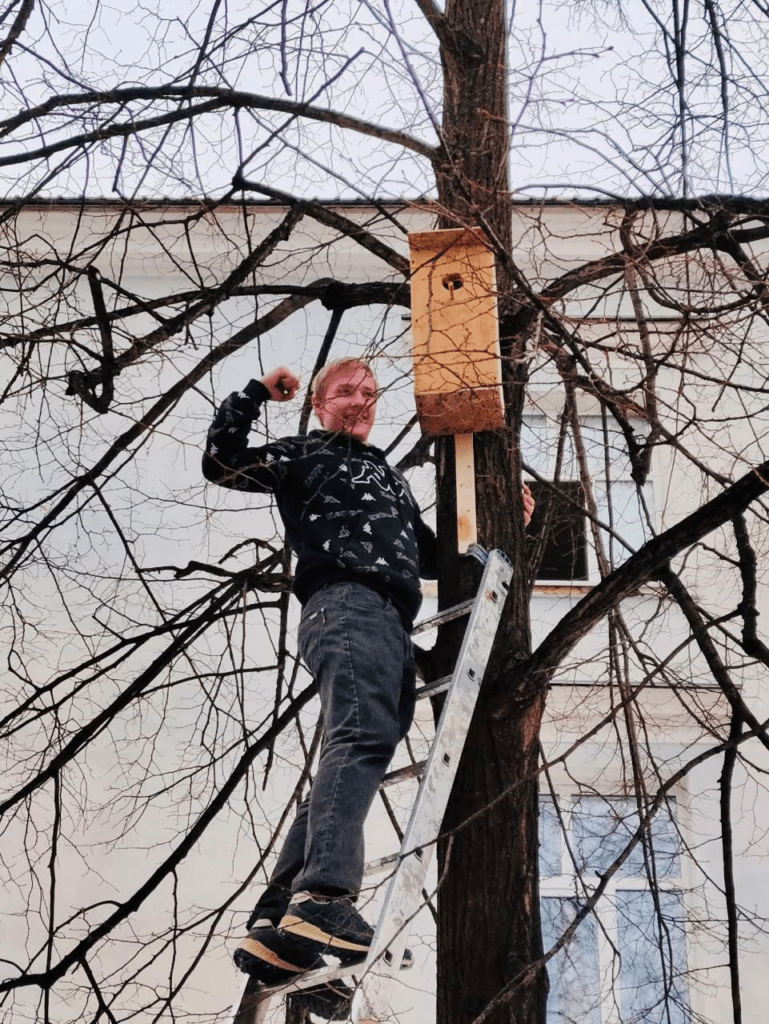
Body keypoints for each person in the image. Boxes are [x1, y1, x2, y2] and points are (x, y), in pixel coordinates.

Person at [203, 357, 535, 988]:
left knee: (356, 750)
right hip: (347, 604)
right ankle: (324, 896)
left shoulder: (388, 476)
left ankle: (279, 925)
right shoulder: (303, 454)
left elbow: (439, 556)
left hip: (387, 620)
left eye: (370, 393)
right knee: (361, 740)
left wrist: (508, 528)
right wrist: (255, 393)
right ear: (321, 404)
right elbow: (222, 462)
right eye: (346, 392)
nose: (360, 401)